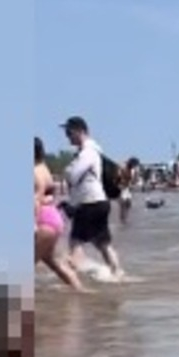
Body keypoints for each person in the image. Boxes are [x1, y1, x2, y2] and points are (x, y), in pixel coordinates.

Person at [61, 116, 124, 280]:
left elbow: (73, 176)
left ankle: (75, 280)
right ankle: (117, 275)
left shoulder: (88, 152)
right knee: (103, 244)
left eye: (69, 132)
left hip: (89, 204)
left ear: (80, 131)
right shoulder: (95, 151)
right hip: (100, 202)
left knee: (74, 243)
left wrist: (67, 171)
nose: (67, 136)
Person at [34, 137, 87, 292]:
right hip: (54, 219)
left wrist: (34, 225)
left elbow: (36, 200)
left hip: (43, 222)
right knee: (53, 262)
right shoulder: (44, 169)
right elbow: (49, 195)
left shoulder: (33, 172)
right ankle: (81, 291)